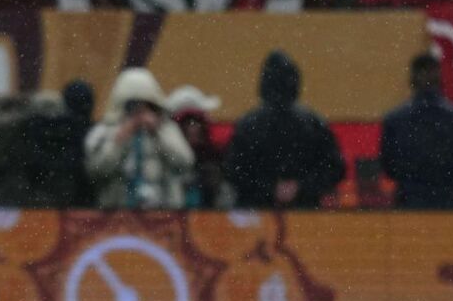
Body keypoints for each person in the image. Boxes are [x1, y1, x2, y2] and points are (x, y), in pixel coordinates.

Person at [224, 51, 345, 209]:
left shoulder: (248, 124)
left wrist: (268, 188)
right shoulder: (313, 123)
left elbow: (234, 170)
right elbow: (335, 168)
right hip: (305, 209)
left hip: (258, 210)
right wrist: (301, 187)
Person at [84, 67, 194, 209]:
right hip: (117, 212)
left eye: (145, 105)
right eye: (133, 105)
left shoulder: (166, 129)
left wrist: (158, 132)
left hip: (163, 212)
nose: (139, 111)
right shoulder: (106, 130)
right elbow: (96, 171)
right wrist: (119, 141)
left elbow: (185, 162)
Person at [379, 53, 453, 209]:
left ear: (411, 81)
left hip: (410, 202)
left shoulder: (395, 120)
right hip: (452, 203)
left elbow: (389, 166)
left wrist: (415, 180)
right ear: (440, 80)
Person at [166, 85, 231, 209]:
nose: (193, 128)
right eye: (186, 122)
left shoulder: (218, 151)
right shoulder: (165, 154)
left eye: (197, 121)